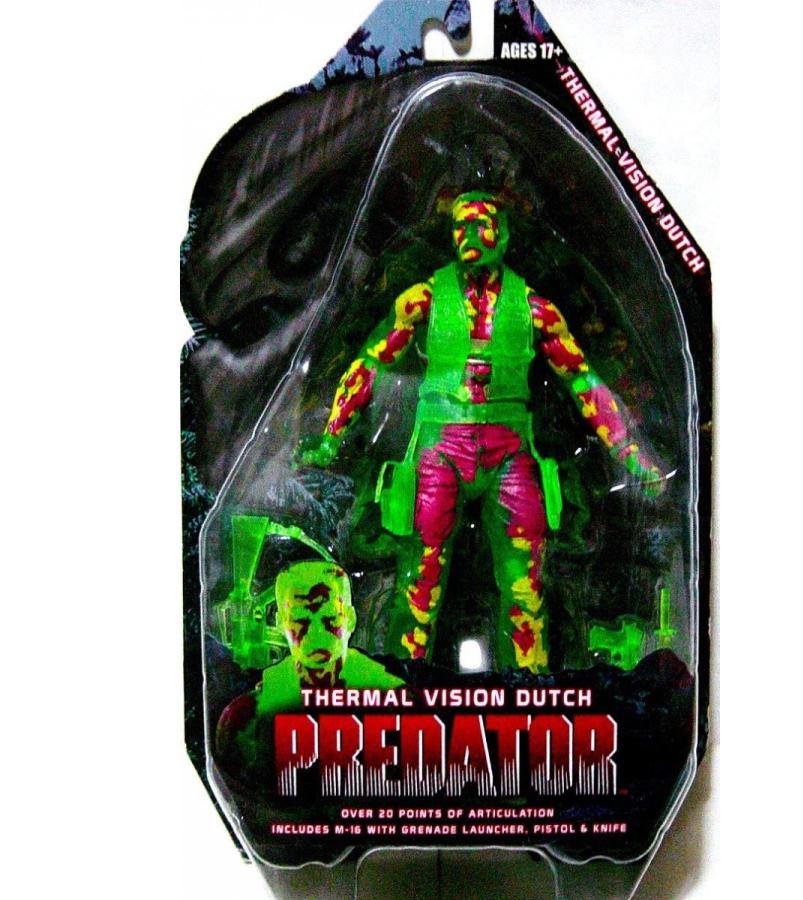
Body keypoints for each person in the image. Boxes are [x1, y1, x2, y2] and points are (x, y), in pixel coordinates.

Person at [297, 191, 664, 673]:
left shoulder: (534, 308)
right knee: (420, 582)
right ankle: (403, 684)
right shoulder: (423, 298)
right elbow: (371, 363)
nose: (469, 233)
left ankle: (530, 688)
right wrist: (331, 435)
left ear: (503, 234)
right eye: (460, 225)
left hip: (509, 448)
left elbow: (582, 379)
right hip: (440, 448)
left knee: (525, 585)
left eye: (481, 223)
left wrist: (631, 452)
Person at [216, 530, 402, 777]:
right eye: (301, 621)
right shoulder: (247, 717)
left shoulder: (393, 697)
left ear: (350, 619)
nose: (315, 634)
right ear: (280, 623)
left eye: (328, 619)